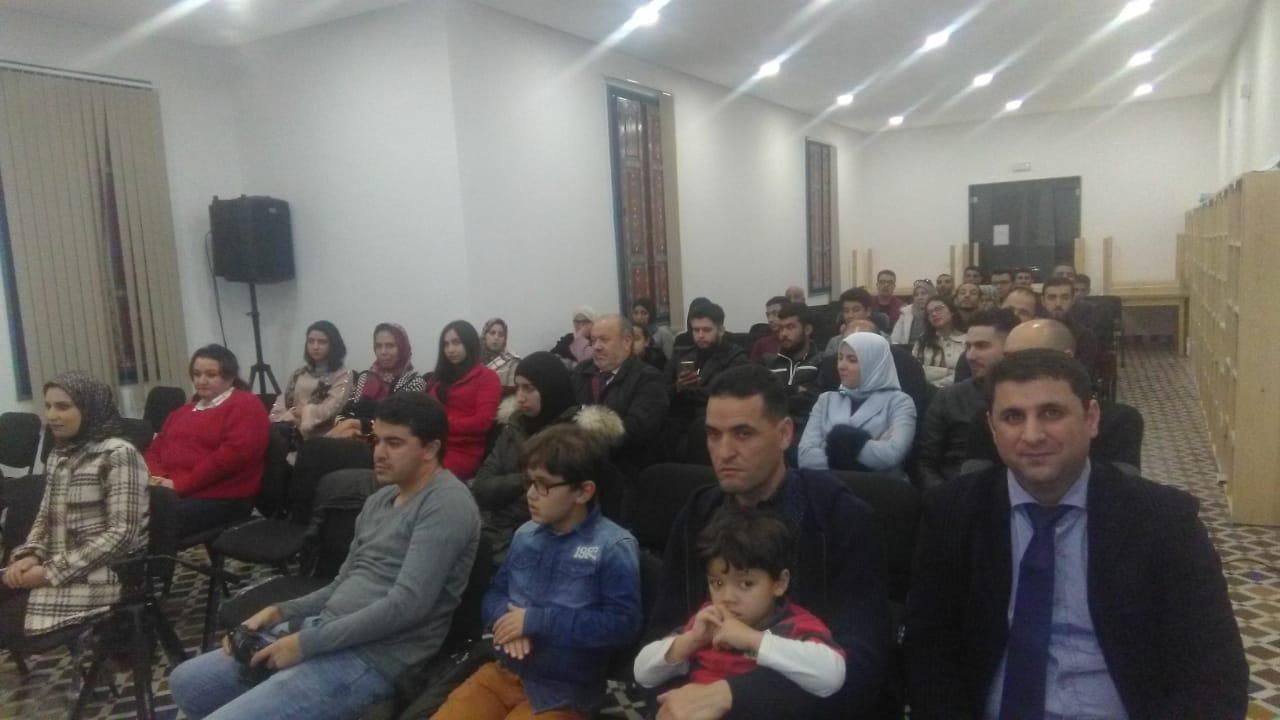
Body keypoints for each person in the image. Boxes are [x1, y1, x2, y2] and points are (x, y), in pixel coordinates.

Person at [903, 349, 1247, 719]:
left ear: (1091, 418)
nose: (1032, 435)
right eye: (1013, 417)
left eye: (1051, 413)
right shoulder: (953, 513)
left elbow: (1213, 670)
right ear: (992, 429)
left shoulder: (1163, 521)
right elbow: (929, 652)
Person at [168, 392, 481, 720]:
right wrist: (279, 612)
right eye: (377, 440)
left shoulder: (446, 504)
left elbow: (407, 606)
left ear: (430, 449)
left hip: (377, 658)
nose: (379, 453)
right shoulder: (380, 500)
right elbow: (340, 584)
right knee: (186, 682)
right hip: (329, 631)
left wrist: (305, 644)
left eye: (394, 443)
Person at [648, 365, 890, 720]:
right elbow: (661, 637)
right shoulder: (698, 515)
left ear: (784, 434)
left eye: (743, 434)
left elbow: (861, 666)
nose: (724, 452)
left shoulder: (839, 518)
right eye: (713, 435)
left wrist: (732, 696)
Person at [434, 425, 642, 719]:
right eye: (530, 482)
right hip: (505, 672)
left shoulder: (613, 547)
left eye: (544, 485)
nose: (531, 494)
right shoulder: (526, 534)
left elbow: (623, 625)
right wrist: (506, 623)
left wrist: (536, 621)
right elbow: (495, 593)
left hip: (564, 691)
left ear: (583, 491)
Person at [634, 506, 846, 699]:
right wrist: (691, 640)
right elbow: (643, 674)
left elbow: (832, 676)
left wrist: (752, 639)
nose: (727, 597)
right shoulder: (708, 621)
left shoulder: (795, 626)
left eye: (745, 584)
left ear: (780, 583)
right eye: (717, 583)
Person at [1, 372, 148, 641]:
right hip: (60, 566)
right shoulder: (60, 454)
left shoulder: (119, 454)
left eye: (63, 407)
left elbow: (122, 535)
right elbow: (45, 516)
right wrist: (31, 555)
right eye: (48, 406)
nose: (51, 415)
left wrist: (48, 574)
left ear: (90, 408)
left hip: (106, 574)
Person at [472, 352, 621, 564]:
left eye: (529, 388)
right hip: (498, 529)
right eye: (517, 388)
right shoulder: (514, 426)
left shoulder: (576, 436)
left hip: (551, 538)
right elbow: (482, 488)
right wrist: (530, 480)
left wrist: (511, 487)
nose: (520, 397)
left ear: (550, 388)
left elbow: (570, 505)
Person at [962, 319, 1144, 472]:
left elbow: (1124, 489)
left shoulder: (1118, 420)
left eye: (1052, 414)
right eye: (1008, 358)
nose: (1032, 437)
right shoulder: (986, 420)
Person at [145, 345, 271, 536]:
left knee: (149, 520)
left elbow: (230, 458)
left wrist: (178, 485)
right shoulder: (182, 412)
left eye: (211, 375)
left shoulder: (246, 405)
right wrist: (159, 479)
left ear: (229, 377)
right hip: (171, 490)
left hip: (220, 496)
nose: (201, 381)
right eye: (196, 374)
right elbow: (155, 449)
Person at [915, 309, 1017, 490]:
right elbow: (925, 463)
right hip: (954, 490)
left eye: (982, 346)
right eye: (968, 347)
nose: (970, 356)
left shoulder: (1028, 398)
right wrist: (947, 497)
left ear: (1009, 349)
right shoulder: (949, 397)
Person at [800, 333, 915, 473]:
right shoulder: (826, 400)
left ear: (874, 364)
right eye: (840, 358)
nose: (841, 366)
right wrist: (865, 448)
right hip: (826, 483)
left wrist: (832, 447)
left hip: (878, 485)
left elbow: (893, 454)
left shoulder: (900, 402)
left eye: (852, 360)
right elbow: (805, 457)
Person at [570, 314, 669, 471]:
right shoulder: (581, 372)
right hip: (578, 462)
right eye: (593, 340)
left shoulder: (648, 379)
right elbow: (563, 414)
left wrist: (588, 422)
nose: (596, 347)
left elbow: (635, 432)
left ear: (626, 342)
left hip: (626, 466)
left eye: (604, 340)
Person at [425, 320, 503, 480]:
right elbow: (427, 411)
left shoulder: (487, 377)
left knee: (423, 477)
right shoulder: (438, 378)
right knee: (400, 467)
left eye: (456, 343)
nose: (450, 349)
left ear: (469, 343)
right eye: (446, 344)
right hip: (430, 442)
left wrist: (442, 423)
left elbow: (482, 422)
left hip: (463, 451)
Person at [329, 323, 426, 437]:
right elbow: (345, 412)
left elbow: (400, 425)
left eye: (390, 345)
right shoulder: (366, 377)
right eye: (378, 346)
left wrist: (355, 425)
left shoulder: (413, 380)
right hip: (353, 438)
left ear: (402, 348)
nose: (383, 352)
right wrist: (347, 427)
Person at [270, 321, 352, 442]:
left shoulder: (342, 375)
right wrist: (287, 417)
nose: (315, 346)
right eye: (311, 341)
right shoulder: (299, 373)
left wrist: (304, 413)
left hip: (326, 437)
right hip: (290, 429)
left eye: (322, 342)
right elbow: (282, 401)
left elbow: (330, 408)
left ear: (333, 345)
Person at [668, 302, 747, 427]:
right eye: (696, 330)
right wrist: (677, 387)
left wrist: (684, 391)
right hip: (678, 419)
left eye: (706, 330)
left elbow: (723, 395)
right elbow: (661, 391)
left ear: (721, 330)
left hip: (715, 420)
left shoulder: (735, 357)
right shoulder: (681, 354)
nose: (700, 335)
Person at [760, 303, 823, 434]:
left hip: (808, 430)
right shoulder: (770, 362)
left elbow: (817, 401)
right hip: (773, 430)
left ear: (807, 330)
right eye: (780, 328)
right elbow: (762, 399)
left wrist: (780, 394)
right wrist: (794, 389)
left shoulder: (821, 361)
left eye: (790, 327)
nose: (783, 334)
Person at [1041, 276, 1098, 378]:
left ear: (1072, 301)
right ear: (1043, 301)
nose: (1058, 304)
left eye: (1065, 298)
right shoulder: (1032, 332)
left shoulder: (1084, 336)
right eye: (1052, 297)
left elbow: (1083, 376)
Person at [914, 298, 967, 388]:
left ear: (951, 311)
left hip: (959, 391)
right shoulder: (923, 341)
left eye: (938, 309)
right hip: (925, 390)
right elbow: (915, 370)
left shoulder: (966, 340)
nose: (934, 314)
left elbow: (965, 374)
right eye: (929, 312)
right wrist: (948, 372)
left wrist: (937, 383)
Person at [825, 287, 888, 353]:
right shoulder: (834, 343)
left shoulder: (882, 340)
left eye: (856, 310)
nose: (850, 315)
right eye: (846, 311)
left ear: (868, 311)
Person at [632, 297, 676, 366]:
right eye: (636, 313)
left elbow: (671, 360)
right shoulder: (630, 333)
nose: (639, 317)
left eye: (644, 313)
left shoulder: (663, 333)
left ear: (651, 314)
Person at [890, 280, 935, 346]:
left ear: (931, 295)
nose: (920, 297)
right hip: (906, 348)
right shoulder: (905, 312)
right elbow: (895, 338)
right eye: (916, 295)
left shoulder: (936, 313)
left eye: (923, 293)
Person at [481, 318, 522, 390]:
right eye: (492, 333)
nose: (496, 337)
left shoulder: (512, 362)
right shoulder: (473, 358)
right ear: (485, 335)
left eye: (501, 334)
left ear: (505, 339)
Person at [749, 296, 787, 362]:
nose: (770, 320)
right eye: (768, 315)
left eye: (775, 313)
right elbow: (752, 367)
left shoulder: (799, 341)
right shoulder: (761, 344)